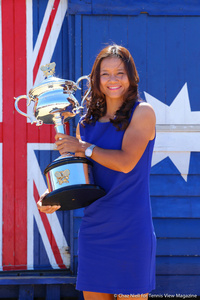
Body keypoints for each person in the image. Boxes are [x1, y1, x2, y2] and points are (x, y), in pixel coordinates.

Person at [37, 44, 156, 300]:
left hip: (131, 227)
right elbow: (84, 173)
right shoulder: (85, 123)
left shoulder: (143, 112)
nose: (113, 80)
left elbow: (125, 163)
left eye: (120, 73)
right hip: (95, 228)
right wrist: (53, 194)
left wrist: (83, 147)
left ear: (131, 76)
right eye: (105, 74)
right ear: (96, 79)